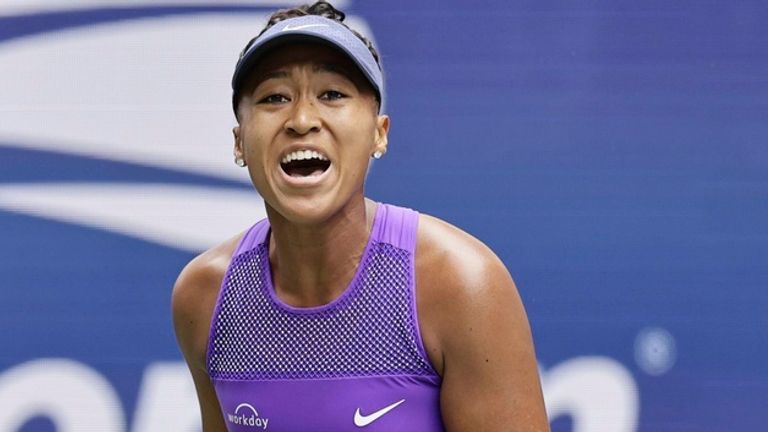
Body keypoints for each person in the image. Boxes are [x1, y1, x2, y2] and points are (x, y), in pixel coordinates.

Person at [172, 2, 549, 431]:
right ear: (240, 142)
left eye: (332, 94)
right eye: (274, 97)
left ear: (379, 133)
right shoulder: (204, 296)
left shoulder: (460, 283)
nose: (301, 120)